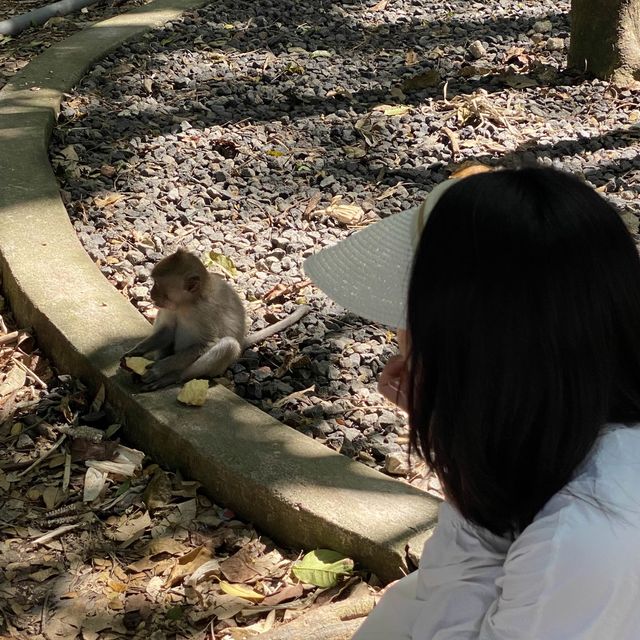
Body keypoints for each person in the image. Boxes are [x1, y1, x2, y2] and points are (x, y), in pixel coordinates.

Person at [303, 166, 640, 639]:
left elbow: (444, 611)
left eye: (413, 316)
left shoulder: (579, 540)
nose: (400, 339)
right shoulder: (579, 440)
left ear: (471, 353)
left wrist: (461, 459)